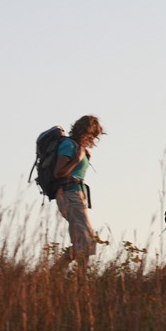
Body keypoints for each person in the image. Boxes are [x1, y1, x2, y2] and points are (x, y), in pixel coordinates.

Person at [53, 115, 106, 272]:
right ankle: (80, 281)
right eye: (93, 135)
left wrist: (83, 157)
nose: (93, 140)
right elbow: (59, 172)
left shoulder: (77, 147)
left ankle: (54, 273)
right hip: (70, 195)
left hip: (76, 196)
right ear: (87, 132)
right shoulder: (69, 145)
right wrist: (77, 159)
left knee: (81, 241)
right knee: (86, 241)